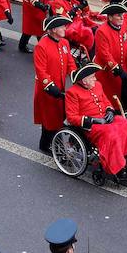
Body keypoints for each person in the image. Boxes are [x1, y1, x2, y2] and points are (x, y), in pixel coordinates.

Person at [64, 62, 127, 180]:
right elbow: (72, 117)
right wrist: (94, 120)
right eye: (92, 77)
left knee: (126, 125)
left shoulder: (97, 85)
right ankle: (118, 168)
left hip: (105, 118)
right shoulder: (72, 92)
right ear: (84, 80)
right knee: (111, 134)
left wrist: (110, 111)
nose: (95, 78)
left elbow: (106, 102)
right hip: (91, 126)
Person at [32, 15, 77, 153]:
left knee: (59, 116)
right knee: (50, 119)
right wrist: (50, 86)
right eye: (61, 26)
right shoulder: (41, 46)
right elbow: (41, 71)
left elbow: (70, 63)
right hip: (47, 90)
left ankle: (52, 141)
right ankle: (46, 144)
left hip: (60, 87)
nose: (65, 28)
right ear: (52, 30)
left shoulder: (64, 43)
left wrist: (77, 76)